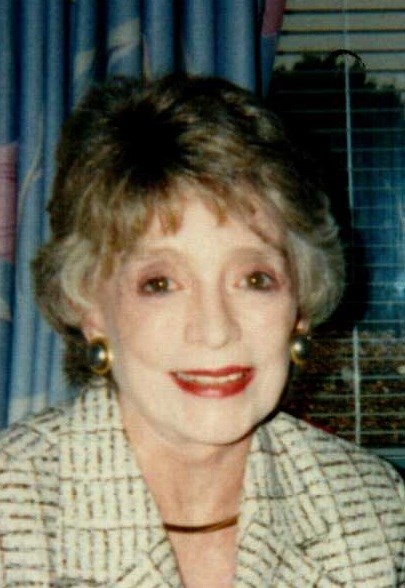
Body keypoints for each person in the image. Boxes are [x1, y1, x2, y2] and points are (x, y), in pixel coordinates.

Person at [0, 75, 403, 588]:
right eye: (160, 283)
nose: (215, 331)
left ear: (299, 305)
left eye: (254, 279)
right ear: (89, 307)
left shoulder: (375, 510)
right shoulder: (12, 519)